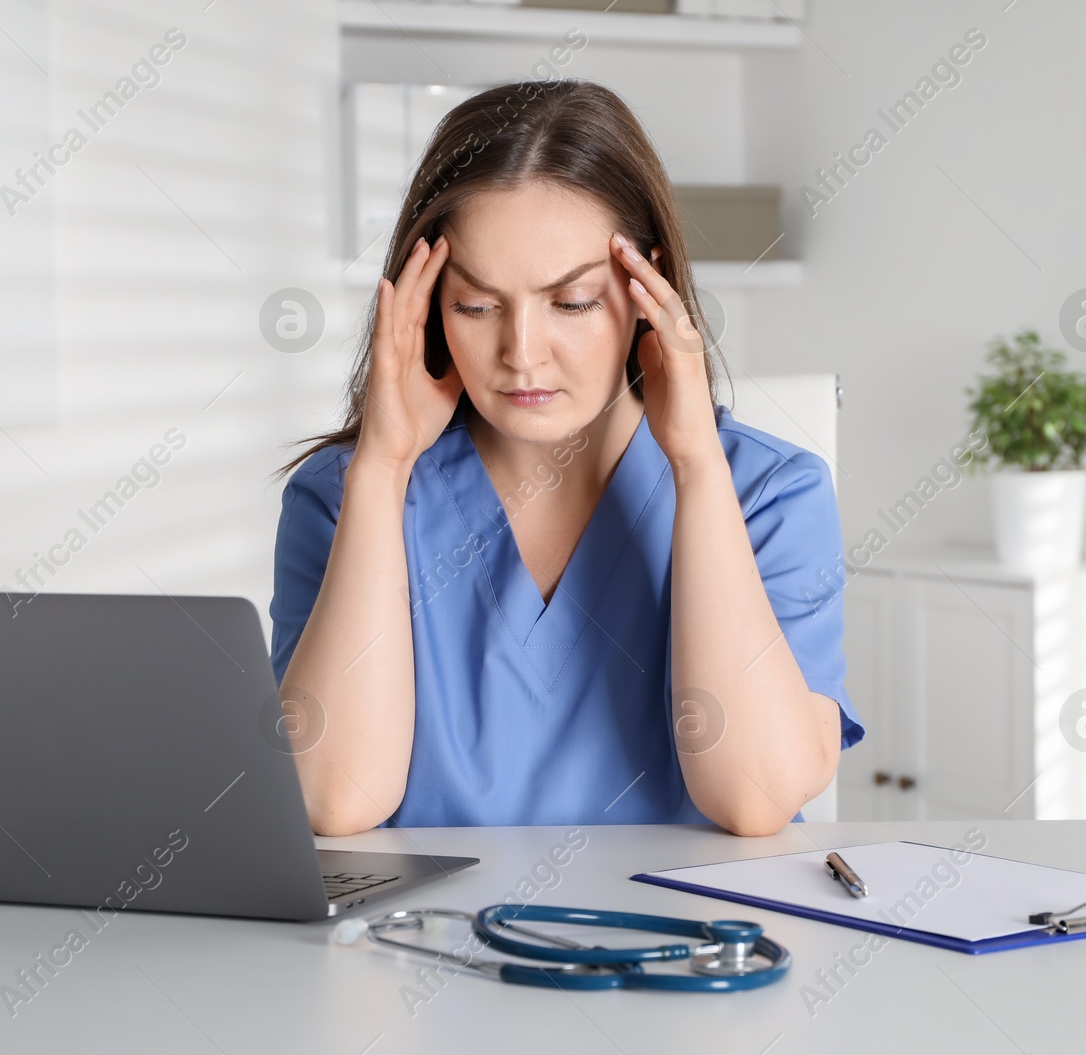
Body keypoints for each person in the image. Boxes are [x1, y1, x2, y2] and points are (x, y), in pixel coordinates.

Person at [270, 78, 862, 837]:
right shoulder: (340, 497)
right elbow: (333, 800)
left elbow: (753, 797)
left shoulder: (772, 496)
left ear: (649, 288)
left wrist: (697, 468)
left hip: (683, 946)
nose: (522, 354)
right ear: (422, 305)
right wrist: (381, 471)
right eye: (476, 306)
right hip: (425, 953)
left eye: (572, 302)